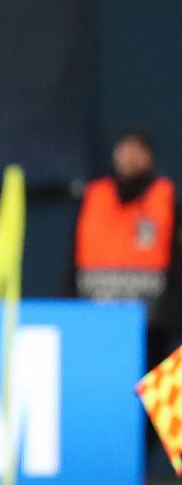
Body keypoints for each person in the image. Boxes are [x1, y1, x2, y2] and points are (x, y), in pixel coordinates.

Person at [75, 130, 178, 368]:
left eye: (138, 150)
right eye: (125, 149)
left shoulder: (167, 198)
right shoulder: (94, 195)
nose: (130, 157)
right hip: (97, 317)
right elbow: (75, 255)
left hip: (153, 325)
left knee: (152, 389)